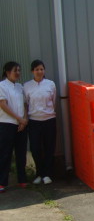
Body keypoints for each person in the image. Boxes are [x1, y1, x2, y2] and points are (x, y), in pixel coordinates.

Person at [24, 60, 57, 185]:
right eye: (37, 69)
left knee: (49, 147)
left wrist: (49, 113)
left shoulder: (50, 84)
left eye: (41, 69)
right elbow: (26, 104)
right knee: (35, 148)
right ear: (32, 71)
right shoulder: (27, 86)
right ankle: (39, 173)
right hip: (34, 121)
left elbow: (54, 102)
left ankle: (47, 174)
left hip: (49, 120)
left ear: (44, 70)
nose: (39, 71)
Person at [0, 62, 28, 193]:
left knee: (21, 152)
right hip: (7, 124)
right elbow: (3, 105)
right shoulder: (2, 86)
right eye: (15, 70)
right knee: (5, 153)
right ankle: (2, 182)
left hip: (21, 124)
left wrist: (24, 120)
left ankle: (22, 179)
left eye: (19, 70)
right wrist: (19, 118)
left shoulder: (20, 87)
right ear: (7, 72)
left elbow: (24, 105)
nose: (17, 73)